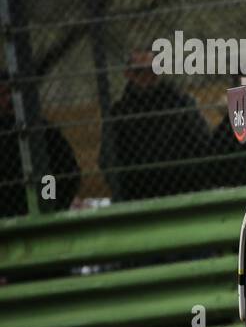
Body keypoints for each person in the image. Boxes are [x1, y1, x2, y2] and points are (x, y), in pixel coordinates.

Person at [99, 49, 211, 202]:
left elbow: (203, 142)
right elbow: (108, 158)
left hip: (184, 188)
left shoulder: (181, 103)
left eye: (153, 70)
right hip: (138, 193)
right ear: (128, 74)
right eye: (140, 71)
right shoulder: (119, 113)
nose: (147, 76)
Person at [0, 69, 80, 218]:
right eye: (3, 94)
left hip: (42, 207)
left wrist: (49, 201)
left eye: (12, 92)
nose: (9, 99)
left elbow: (65, 171)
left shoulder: (42, 129)